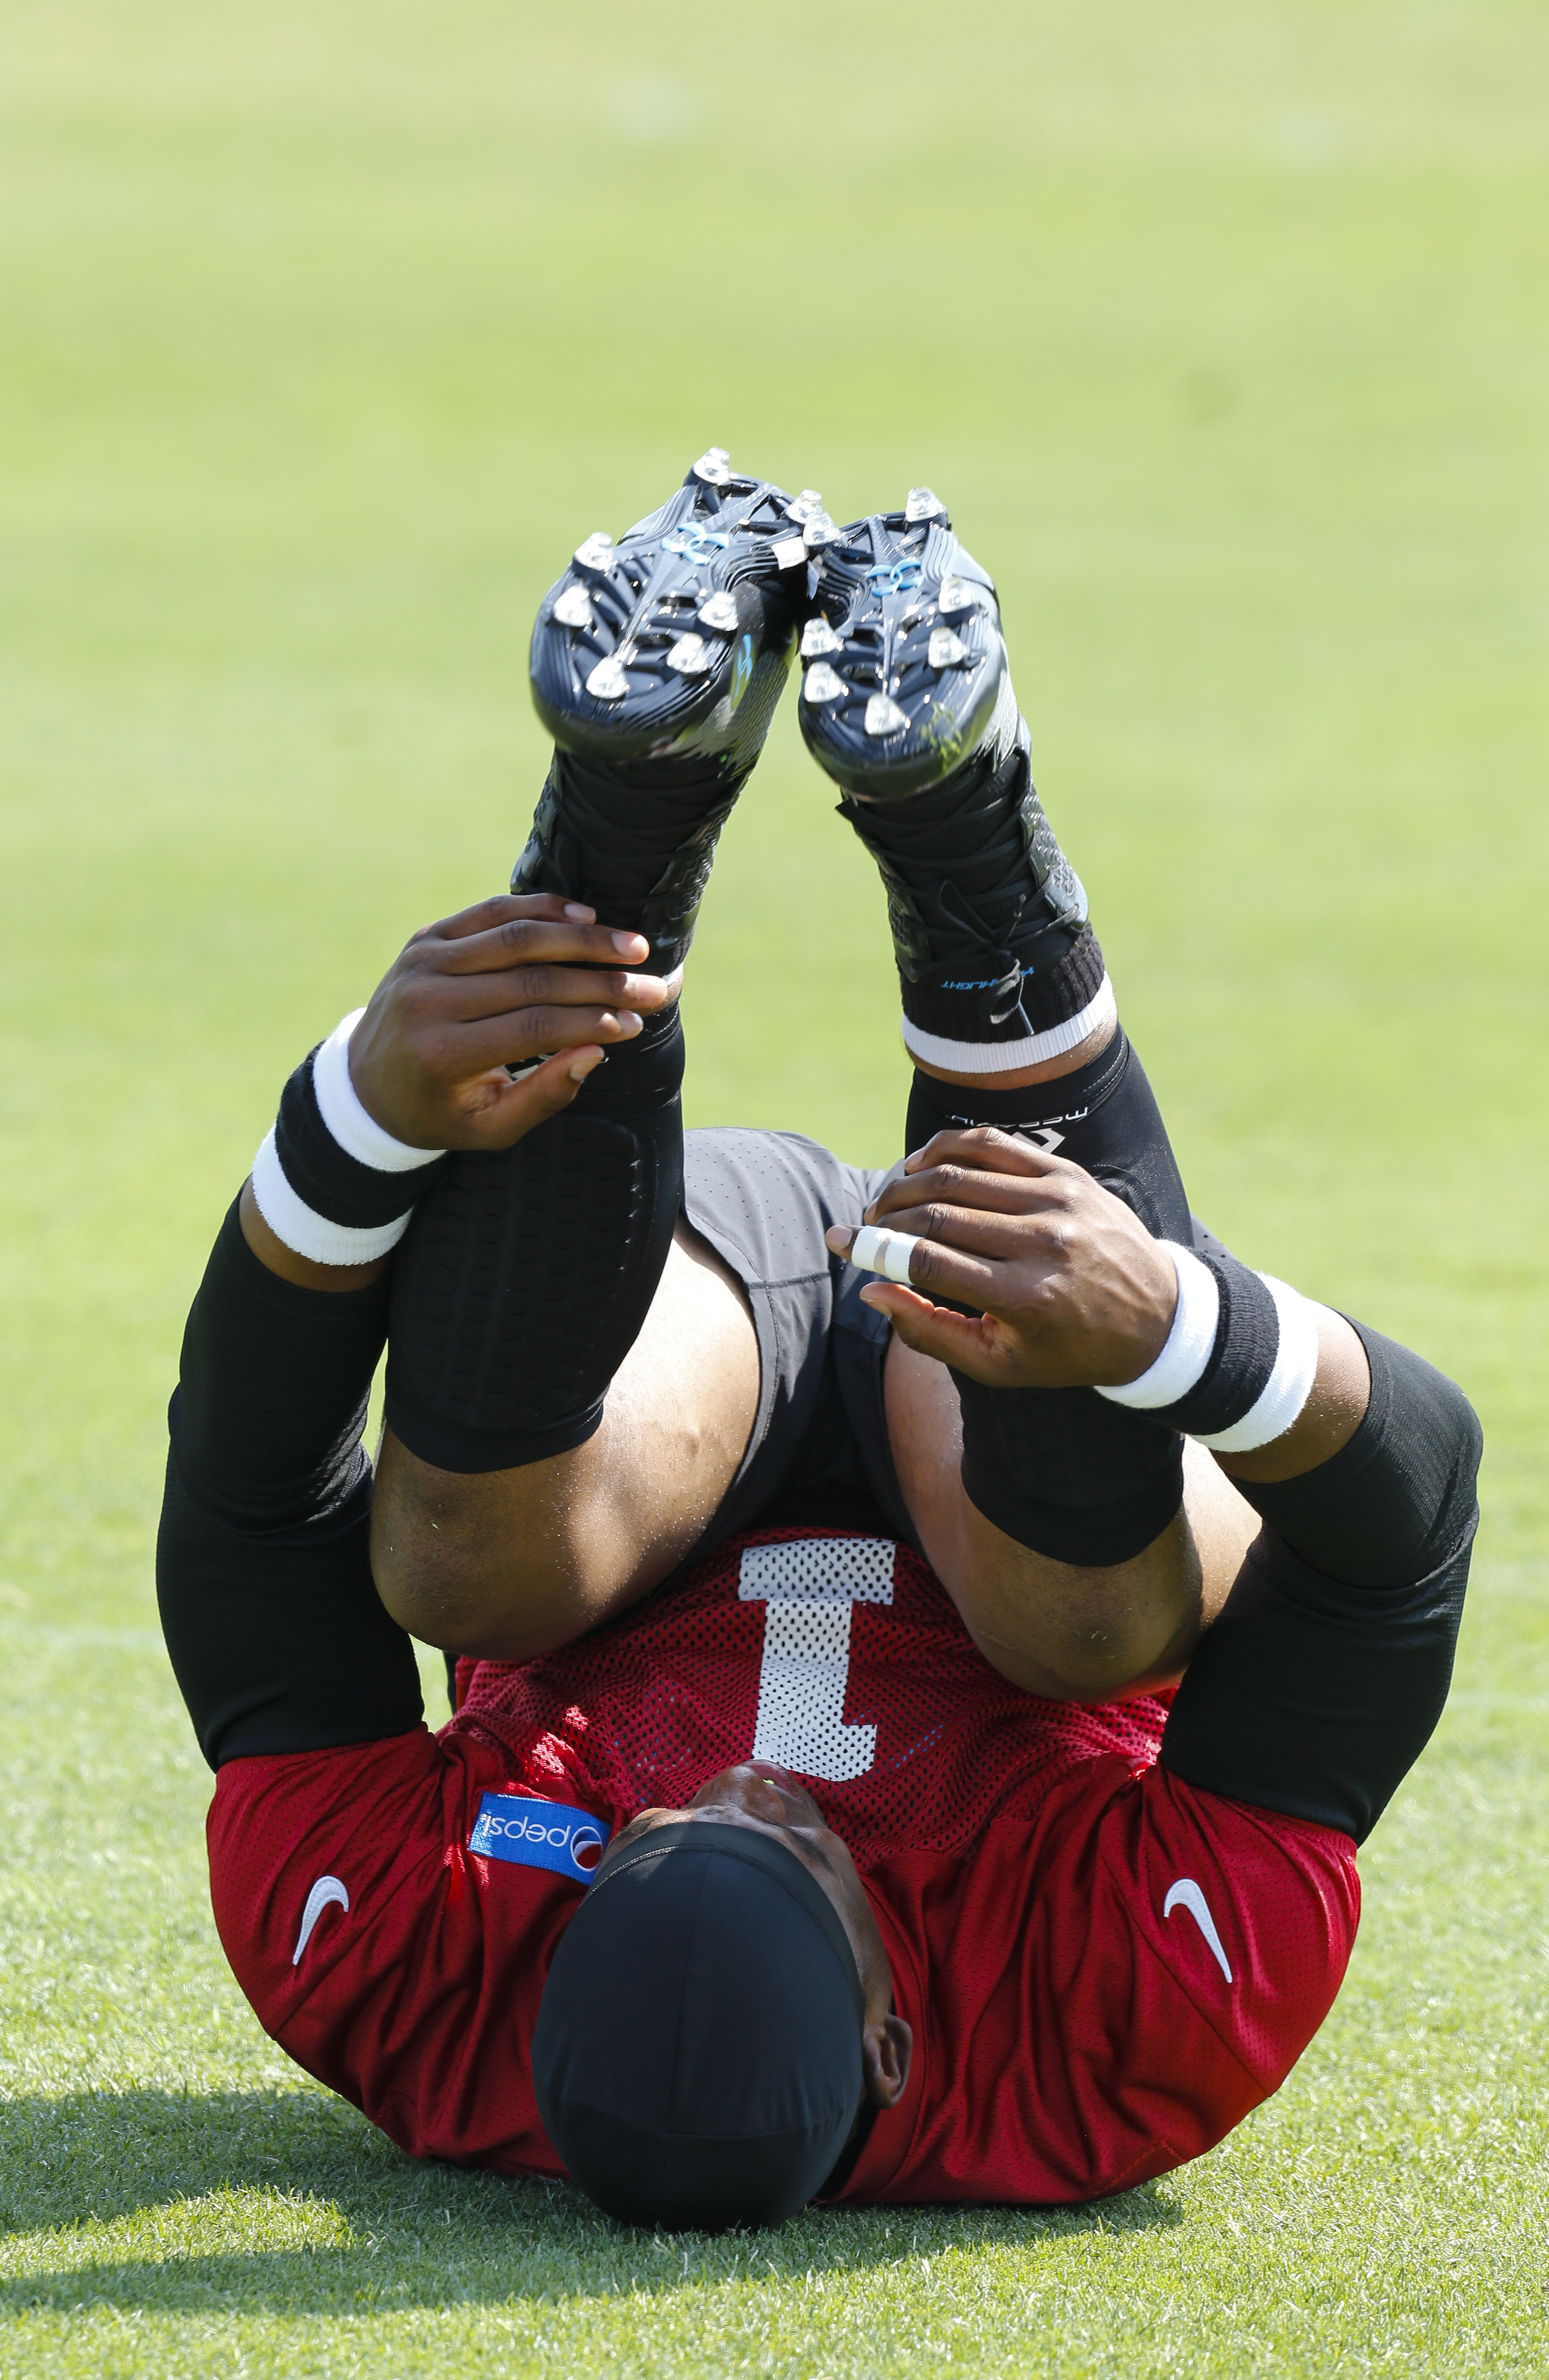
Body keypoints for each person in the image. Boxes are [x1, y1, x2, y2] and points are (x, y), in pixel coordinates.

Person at [158, 454, 1481, 2232]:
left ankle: (632, 800)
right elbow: (1403, 1534)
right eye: (793, 1853)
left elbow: (251, 1500)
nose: (747, 1786)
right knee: (1077, 1625)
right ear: (889, 2038)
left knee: (457, 1570)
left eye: (658, 1838)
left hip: (688, 1390)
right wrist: (1181, 1327)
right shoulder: (1121, 2032)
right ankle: (962, 816)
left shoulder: (407, 1973)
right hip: (1003, 1433)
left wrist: (354, 1125)